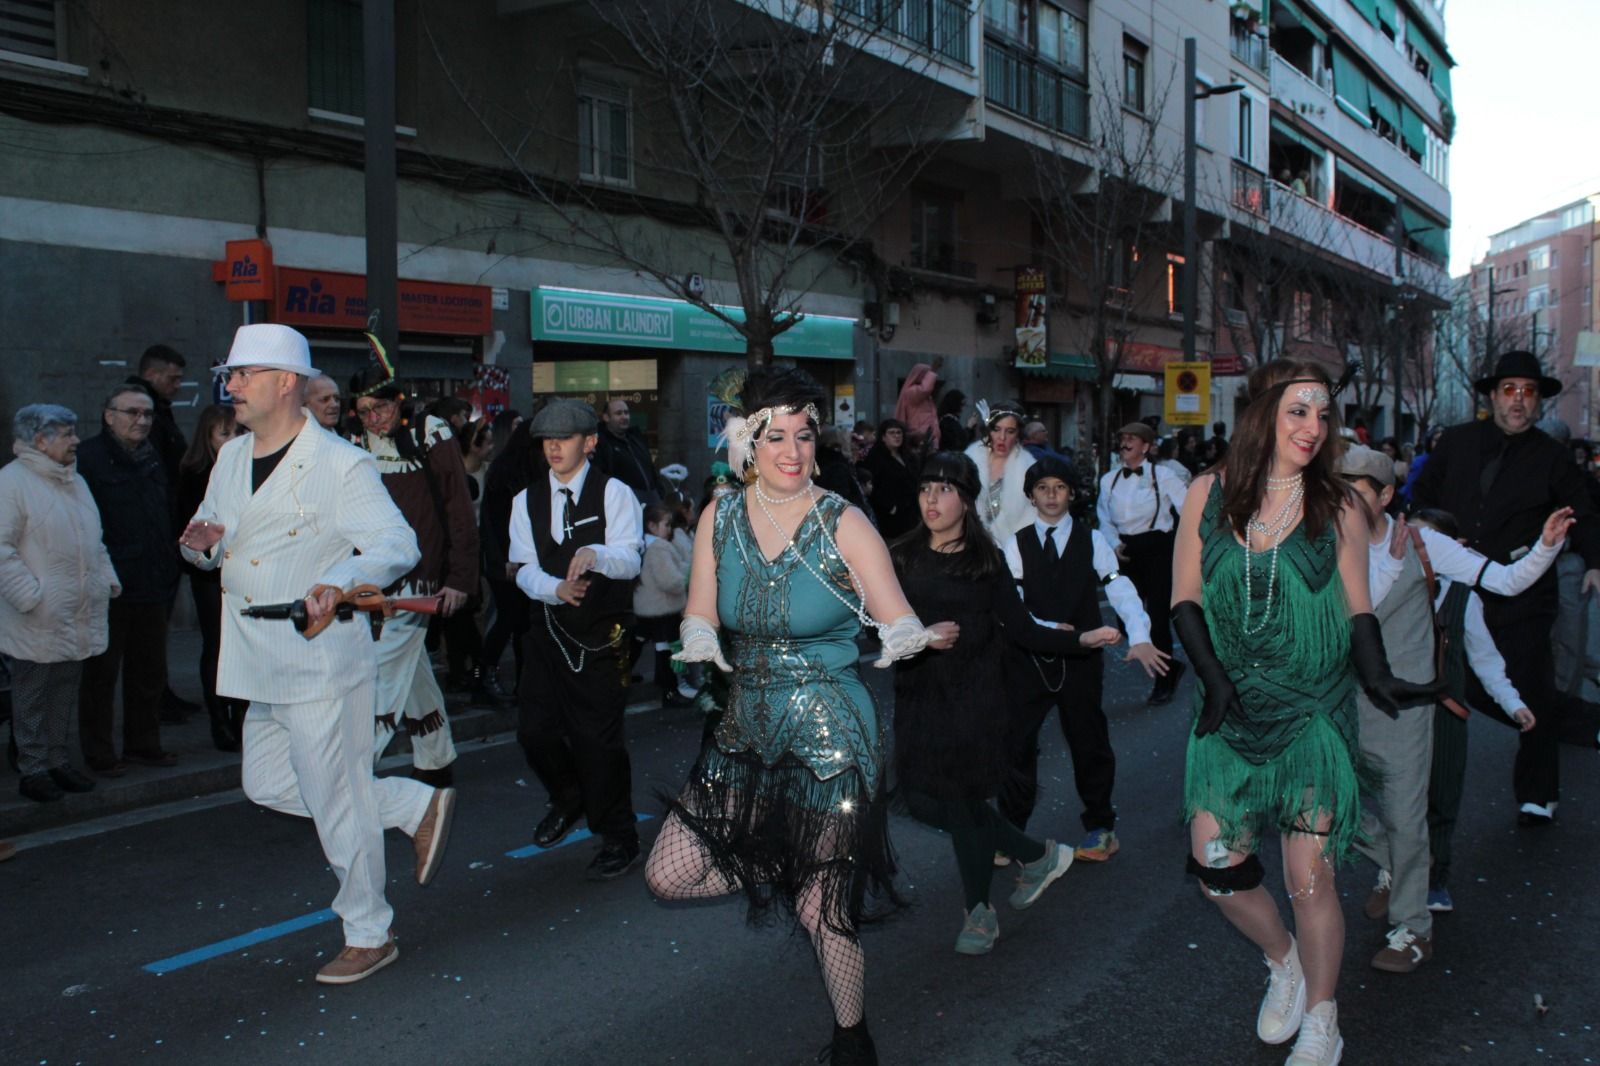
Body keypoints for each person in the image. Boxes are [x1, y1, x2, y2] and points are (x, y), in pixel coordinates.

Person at [647, 366, 943, 1065]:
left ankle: (852, 1038)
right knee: (669, 872)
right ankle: (790, 867)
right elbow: (699, 605)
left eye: (804, 435)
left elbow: (896, 612)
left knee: (824, 910)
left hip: (830, 731)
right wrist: (697, 635)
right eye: (774, 435)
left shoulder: (845, 521)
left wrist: (904, 635)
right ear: (746, 441)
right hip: (744, 725)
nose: (791, 450)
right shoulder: (719, 515)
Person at [1171, 359, 1433, 1066]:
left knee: (1308, 876)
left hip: (1312, 712)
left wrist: (1382, 679)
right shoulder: (1208, 493)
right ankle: (1282, 960)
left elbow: (1357, 610)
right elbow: (1186, 599)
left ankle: (1323, 1014)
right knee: (1216, 865)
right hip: (1230, 710)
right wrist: (1214, 679)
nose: (1314, 428)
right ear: (1263, 415)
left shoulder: (1340, 505)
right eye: (1298, 411)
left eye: (1323, 415)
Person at [179, 323, 455, 985]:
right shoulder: (231, 457)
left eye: (243, 375)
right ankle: (408, 807)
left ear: (285, 383)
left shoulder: (340, 463)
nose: (232, 387)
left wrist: (346, 582)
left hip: (320, 656)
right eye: (231, 375)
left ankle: (369, 932)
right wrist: (202, 544)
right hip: (255, 656)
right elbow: (212, 536)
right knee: (268, 784)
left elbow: (396, 543)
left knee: (335, 802)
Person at [1339, 444, 1566, 975]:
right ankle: (1394, 864)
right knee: (1315, 797)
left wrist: (1545, 547)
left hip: (1406, 705)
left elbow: (1504, 581)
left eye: (1356, 492)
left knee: (1405, 815)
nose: (1343, 502)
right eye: (1336, 490)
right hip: (1342, 697)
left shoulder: (1424, 543)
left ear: (1387, 495)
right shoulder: (1327, 544)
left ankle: (1413, 929)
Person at [891, 451, 1119, 954]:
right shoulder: (901, 553)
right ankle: (1036, 854)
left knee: (965, 802)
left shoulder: (986, 560)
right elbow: (879, 619)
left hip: (976, 697)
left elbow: (1020, 629)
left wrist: (1078, 640)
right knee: (922, 799)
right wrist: (917, 637)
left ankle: (978, 913)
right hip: (918, 695)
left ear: (968, 501)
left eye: (945, 489)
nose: (932, 498)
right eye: (926, 487)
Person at [1409, 350, 1600, 826]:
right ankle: (1584, 724)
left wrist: (1595, 561)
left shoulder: (1553, 457)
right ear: (1493, 396)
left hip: (1525, 593)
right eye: (1510, 390)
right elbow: (1421, 498)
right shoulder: (1455, 442)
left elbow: (1584, 511)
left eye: (1528, 392)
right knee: (1467, 684)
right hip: (1458, 588)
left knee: (1531, 684)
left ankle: (1538, 792)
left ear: (1538, 403)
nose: (1519, 400)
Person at [999, 455, 1169, 862]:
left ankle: (1100, 829)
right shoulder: (1015, 543)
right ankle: (1009, 833)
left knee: (1088, 742)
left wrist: (1140, 634)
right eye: (1042, 488)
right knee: (1016, 747)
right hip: (1032, 659)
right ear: (1031, 496)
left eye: (1059, 488)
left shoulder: (1093, 540)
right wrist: (1045, 627)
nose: (1051, 495)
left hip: (1082, 661)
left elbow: (1119, 587)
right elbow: (1012, 603)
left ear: (1071, 494)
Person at [508, 399, 644, 880]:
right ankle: (568, 796)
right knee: (534, 731)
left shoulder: (615, 494)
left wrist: (596, 553)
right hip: (547, 631)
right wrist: (555, 588)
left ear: (589, 443)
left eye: (563, 439)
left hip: (602, 636)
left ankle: (618, 835)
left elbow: (631, 559)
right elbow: (521, 567)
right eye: (547, 440)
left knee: (597, 741)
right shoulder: (524, 500)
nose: (553, 448)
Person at [350, 352, 479, 788]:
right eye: (365, 411)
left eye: (381, 408)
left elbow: (458, 508)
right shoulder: (353, 440)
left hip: (419, 579)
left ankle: (353, 768)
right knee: (411, 668)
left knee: (382, 670)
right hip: (372, 576)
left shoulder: (431, 432)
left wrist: (460, 578)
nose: (374, 419)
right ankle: (435, 757)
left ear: (399, 402)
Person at [1407, 508, 1536, 915]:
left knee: (1442, 795)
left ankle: (1434, 877)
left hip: (1446, 711)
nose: (1418, 549)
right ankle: (1397, 868)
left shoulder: (1466, 598)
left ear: (1454, 549)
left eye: (1429, 542)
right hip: (1400, 711)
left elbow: (1486, 660)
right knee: (1399, 798)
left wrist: (1513, 703)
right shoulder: (1390, 584)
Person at [0, 404, 118, 802]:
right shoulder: (12, 483)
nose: (75, 441)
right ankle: (32, 768)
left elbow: (94, 541)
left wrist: (105, 581)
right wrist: (31, 596)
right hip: (37, 615)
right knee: (32, 692)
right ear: (40, 440)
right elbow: (0, 550)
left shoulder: (74, 482)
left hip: (75, 611)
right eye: (66, 434)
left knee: (64, 688)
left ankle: (57, 761)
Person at [77, 384, 181, 776]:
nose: (141, 421)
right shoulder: (88, 458)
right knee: (101, 676)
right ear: (109, 415)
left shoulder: (153, 457)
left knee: (149, 672)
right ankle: (99, 753)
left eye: (147, 414)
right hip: (109, 584)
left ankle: (143, 744)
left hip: (152, 580)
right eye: (132, 413)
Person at [1096, 421, 1189, 704]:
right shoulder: (1108, 479)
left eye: (1132, 439)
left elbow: (1188, 508)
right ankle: (1171, 666)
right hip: (1128, 551)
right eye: (1123, 438)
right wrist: (1114, 544)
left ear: (1146, 447)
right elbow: (1104, 518)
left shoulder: (1163, 476)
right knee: (1128, 619)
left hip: (1159, 548)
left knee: (1158, 618)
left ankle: (1163, 680)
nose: (1125, 443)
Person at [176, 403, 247, 751]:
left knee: (244, 646)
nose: (233, 439)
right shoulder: (194, 473)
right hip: (208, 574)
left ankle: (241, 718)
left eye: (237, 432)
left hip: (243, 570)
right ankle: (220, 721)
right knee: (217, 647)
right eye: (225, 433)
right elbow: (187, 531)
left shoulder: (248, 469)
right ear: (208, 436)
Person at [479, 418, 537, 702]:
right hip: (508, 560)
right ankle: (486, 675)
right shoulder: (510, 473)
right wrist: (508, 559)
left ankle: (518, 681)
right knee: (512, 618)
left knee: (520, 621)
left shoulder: (514, 470)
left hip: (512, 559)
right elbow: (501, 523)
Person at [635, 503, 694, 706]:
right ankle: (671, 689)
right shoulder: (659, 548)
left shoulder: (646, 545)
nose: (670, 529)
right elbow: (669, 579)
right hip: (663, 606)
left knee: (659, 647)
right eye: (666, 525)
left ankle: (668, 687)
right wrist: (685, 580)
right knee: (669, 649)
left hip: (650, 607)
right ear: (652, 526)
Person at [963, 400, 1036, 538]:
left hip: (1011, 549)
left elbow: (1032, 517)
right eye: (996, 429)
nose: (1002, 437)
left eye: (1010, 431)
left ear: (1018, 434)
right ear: (988, 429)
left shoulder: (1028, 468)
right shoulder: (969, 460)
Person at [592, 398, 662, 505]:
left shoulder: (636, 439)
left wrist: (659, 493)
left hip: (651, 501)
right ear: (606, 417)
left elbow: (650, 470)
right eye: (618, 413)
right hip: (624, 503)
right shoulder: (601, 444)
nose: (624, 417)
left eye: (626, 413)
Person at [864, 418, 918, 540]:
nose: (896, 436)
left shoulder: (907, 456)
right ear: (883, 437)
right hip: (889, 516)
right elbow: (872, 486)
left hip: (910, 512)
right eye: (892, 433)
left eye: (899, 433)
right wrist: (890, 507)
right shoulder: (876, 458)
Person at [894, 363, 940, 448]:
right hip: (919, 439)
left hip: (928, 439)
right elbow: (925, 389)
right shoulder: (911, 392)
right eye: (926, 375)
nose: (927, 378)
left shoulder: (925, 397)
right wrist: (933, 371)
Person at [936, 387, 969, 452]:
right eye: (961, 405)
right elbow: (958, 442)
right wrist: (969, 428)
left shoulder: (949, 420)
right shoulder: (947, 421)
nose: (962, 409)